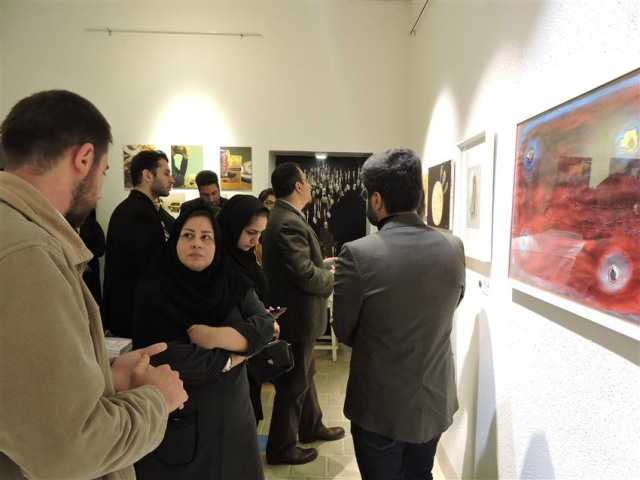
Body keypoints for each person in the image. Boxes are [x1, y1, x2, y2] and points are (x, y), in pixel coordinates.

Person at [0, 90, 188, 479]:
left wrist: (102, 376)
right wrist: (157, 399)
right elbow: (67, 451)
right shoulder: (26, 251)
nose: (101, 189)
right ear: (84, 158)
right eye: (103, 173)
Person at [332, 148, 466, 480]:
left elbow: (344, 329)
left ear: (377, 199)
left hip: (380, 405)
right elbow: (451, 305)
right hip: (433, 398)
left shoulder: (357, 254)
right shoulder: (454, 248)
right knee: (420, 475)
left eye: (367, 195)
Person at [132, 207, 275, 479]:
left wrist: (217, 336)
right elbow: (170, 358)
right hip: (183, 419)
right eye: (188, 235)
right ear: (175, 240)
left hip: (235, 418)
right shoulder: (154, 291)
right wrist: (236, 355)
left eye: (206, 237)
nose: (197, 243)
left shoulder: (232, 282)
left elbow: (266, 325)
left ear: (217, 244)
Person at [262, 162, 344, 466]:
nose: (310, 185)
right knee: (293, 384)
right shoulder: (288, 222)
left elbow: (301, 266)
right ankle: (281, 448)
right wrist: (330, 277)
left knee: (305, 375)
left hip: (297, 315)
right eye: (307, 180)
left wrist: (322, 264)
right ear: (298, 186)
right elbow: (304, 275)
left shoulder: (283, 216)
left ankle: (311, 426)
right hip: (298, 318)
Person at [217, 194, 284, 425]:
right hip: (226, 364)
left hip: (248, 356)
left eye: (260, 234)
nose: (255, 240)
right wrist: (262, 323)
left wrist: (264, 316)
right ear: (233, 226)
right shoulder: (218, 265)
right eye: (250, 232)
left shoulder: (243, 257)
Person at [103, 149, 174, 337]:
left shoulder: (130, 208)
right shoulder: (140, 213)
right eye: (166, 173)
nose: (172, 180)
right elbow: (150, 272)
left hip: (126, 314)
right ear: (147, 175)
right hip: (136, 317)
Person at [78, 209, 106, 308]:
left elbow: (101, 248)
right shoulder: (67, 225)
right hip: (74, 267)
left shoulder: (93, 225)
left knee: (92, 299)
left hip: (91, 269)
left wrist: (85, 259)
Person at [256, 188, 276, 266]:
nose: (272, 207)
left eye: (275, 204)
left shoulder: (278, 227)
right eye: (269, 203)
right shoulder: (255, 226)